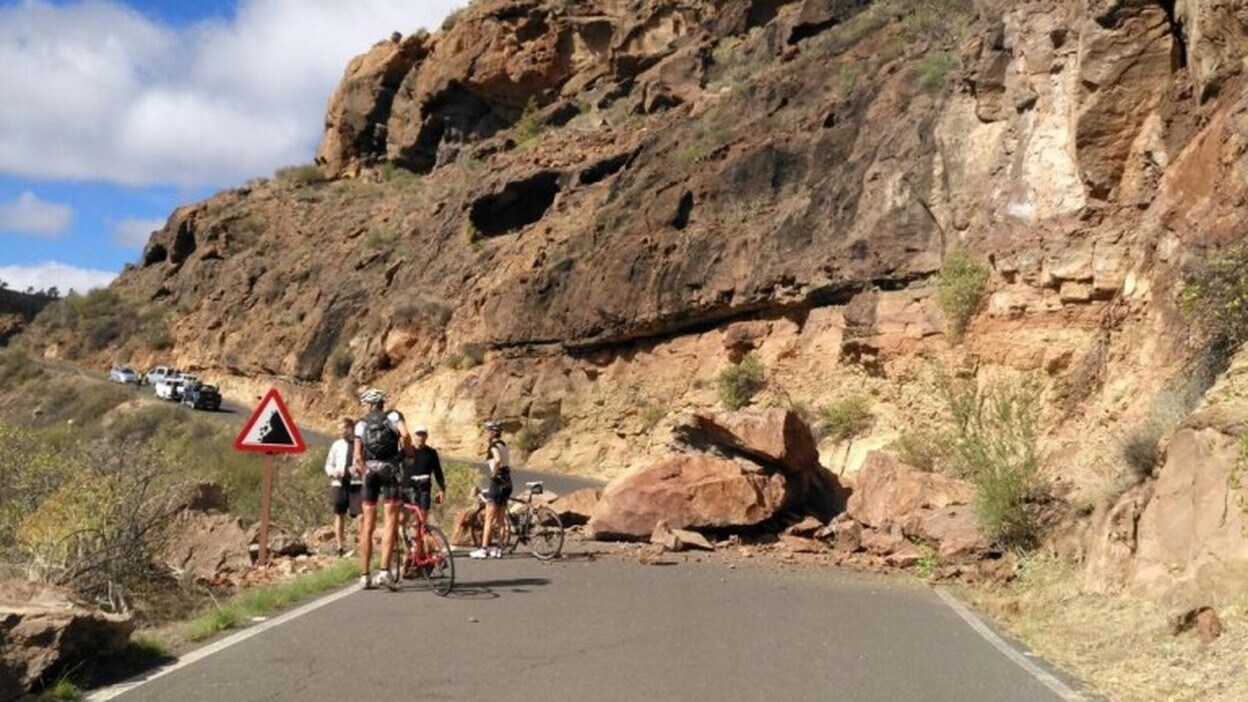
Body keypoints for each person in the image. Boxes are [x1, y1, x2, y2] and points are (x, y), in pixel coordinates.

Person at [354, 388, 414, 589]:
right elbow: (405, 436)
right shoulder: (393, 415)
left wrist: (365, 472)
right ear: (381, 403)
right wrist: (407, 456)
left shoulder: (361, 424)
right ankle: (384, 572)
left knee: (368, 525)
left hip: (370, 471)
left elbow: (357, 456)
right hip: (390, 470)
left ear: (369, 405)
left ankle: (364, 576)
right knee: (390, 522)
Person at [470, 420, 512, 559]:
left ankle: (483, 549)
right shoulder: (503, 445)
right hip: (507, 482)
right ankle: (498, 549)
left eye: (488, 431)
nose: (486, 434)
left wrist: (494, 472)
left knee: (488, 518)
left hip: (498, 482)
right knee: (500, 520)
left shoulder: (493, 445)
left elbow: (498, 459)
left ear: (493, 432)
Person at [324, 417, 362, 556]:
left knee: (360, 515)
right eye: (339, 429)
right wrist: (332, 472)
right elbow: (328, 464)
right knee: (339, 514)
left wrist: (358, 469)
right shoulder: (336, 445)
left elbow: (365, 461)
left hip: (356, 484)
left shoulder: (360, 444)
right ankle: (340, 547)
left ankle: (362, 545)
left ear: (350, 428)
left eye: (343, 428)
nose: (340, 431)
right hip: (339, 484)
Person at [402, 425, 446, 516]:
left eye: (423, 435)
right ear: (414, 436)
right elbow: (394, 465)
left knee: (423, 514)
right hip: (408, 487)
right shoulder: (406, 451)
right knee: (404, 516)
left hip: (424, 488)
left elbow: (438, 471)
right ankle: (403, 529)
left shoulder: (431, 453)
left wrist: (442, 489)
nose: (420, 437)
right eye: (418, 434)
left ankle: (421, 528)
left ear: (426, 436)